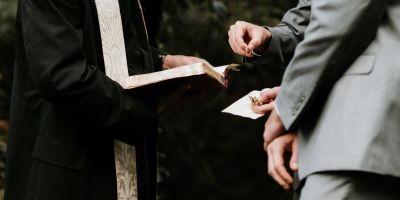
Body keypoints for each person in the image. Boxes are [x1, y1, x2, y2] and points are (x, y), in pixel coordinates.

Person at [5, 0, 208, 199]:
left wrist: (164, 63)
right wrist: (143, 111)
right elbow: (61, 75)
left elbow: (117, 47)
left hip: (122, 163)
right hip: (70, 173)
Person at [231, 0, 400, 199]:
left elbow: (337, 20)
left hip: (360, 136)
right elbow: (315, 16)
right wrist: (269, 37)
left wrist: (286, 106)